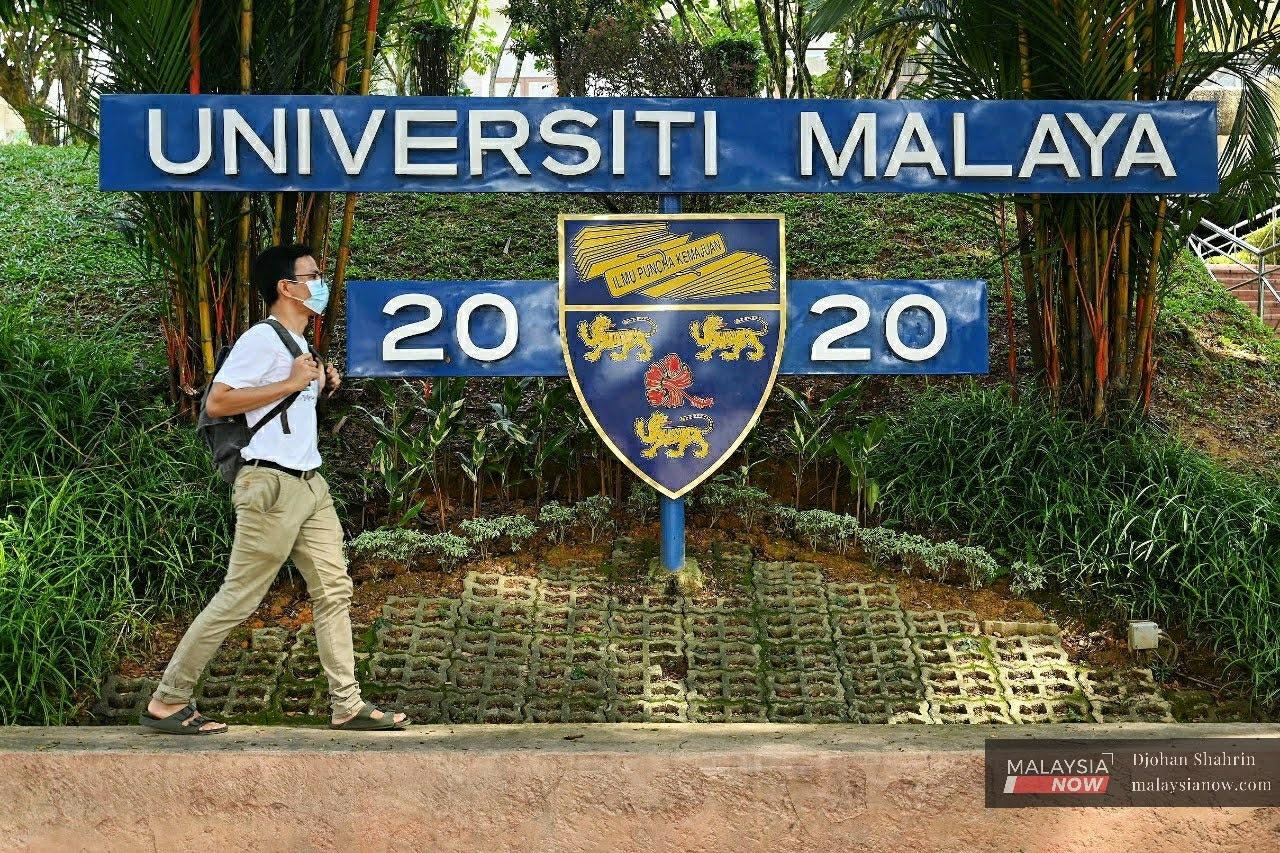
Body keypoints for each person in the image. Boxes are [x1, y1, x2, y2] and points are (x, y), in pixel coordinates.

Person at [141, 244, 408, 734]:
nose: (321, 283)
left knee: (334, 589)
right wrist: (289, 383)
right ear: (287, 287)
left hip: (310, 484)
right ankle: (168, 700)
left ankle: (347, 704)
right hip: (270, 484)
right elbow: (218, 402)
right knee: (240, 596)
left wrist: (320, 383)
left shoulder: (298, 343)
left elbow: (285, 408)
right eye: (313, 276)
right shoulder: (262, 339)